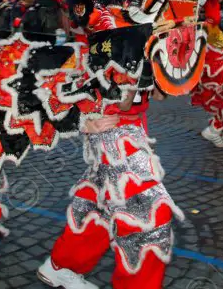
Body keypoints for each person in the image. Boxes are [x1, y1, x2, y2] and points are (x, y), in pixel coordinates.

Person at [38, 87, 178, 289]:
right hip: (110, 131)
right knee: (149, 214)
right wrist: (78, 121)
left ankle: (61, 266)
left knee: (100, 204)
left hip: (132, 129)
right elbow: (51, 80)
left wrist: (161, 75)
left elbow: (155, 95)